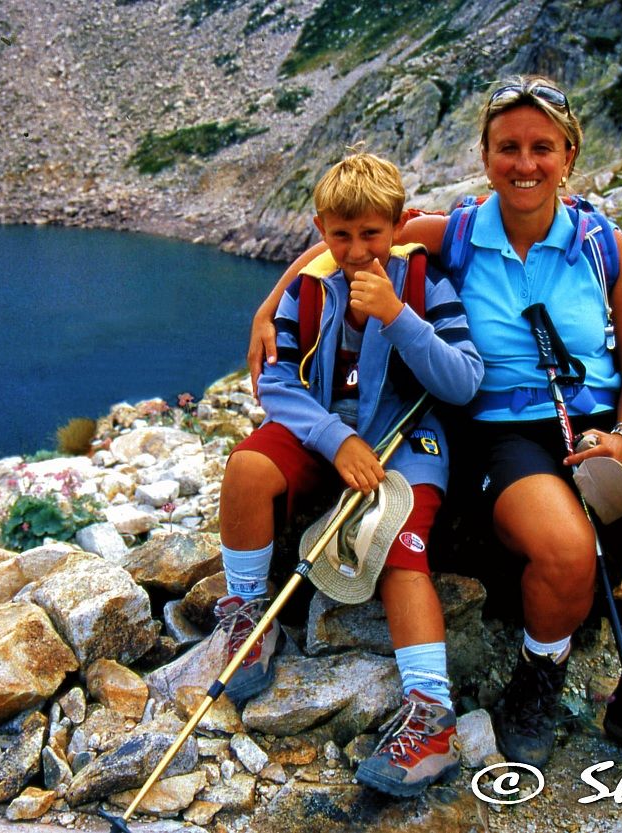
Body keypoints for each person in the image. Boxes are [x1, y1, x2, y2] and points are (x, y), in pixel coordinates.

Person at [246, 77, 622, 779]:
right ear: (486, 154)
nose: (524, 164)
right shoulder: (459, 231)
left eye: (541, 148)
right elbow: (349, 241)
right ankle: (537, 683)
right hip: (503, 432)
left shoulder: (605, 245)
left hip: (597, 425)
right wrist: (269, 305)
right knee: (562, 548)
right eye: (508, 148)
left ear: (568, 154)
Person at [216, 149, 484, 797]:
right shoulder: (310, 285)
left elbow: (464, 379)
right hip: (324, 434)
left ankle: (430, 711)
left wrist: (398, 316)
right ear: (320, 230)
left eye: (372, 233)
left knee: (397, 544)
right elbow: (276, 380)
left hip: (406, 443)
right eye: (341, 235)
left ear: (397, 225)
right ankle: (248, 613)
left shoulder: (422, 285)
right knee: (248, 468)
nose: (358, 249)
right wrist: (334, 441)